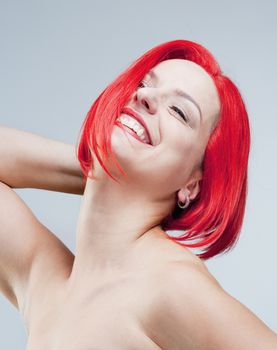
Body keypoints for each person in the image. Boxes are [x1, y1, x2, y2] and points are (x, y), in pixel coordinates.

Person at [0, 39, 276, 349]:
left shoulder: (170, 287)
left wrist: (114, 169)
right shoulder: (45, 282)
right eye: (145, 84)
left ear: (193, 184)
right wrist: (99, 169)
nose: (144, 96)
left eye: (179, 111)